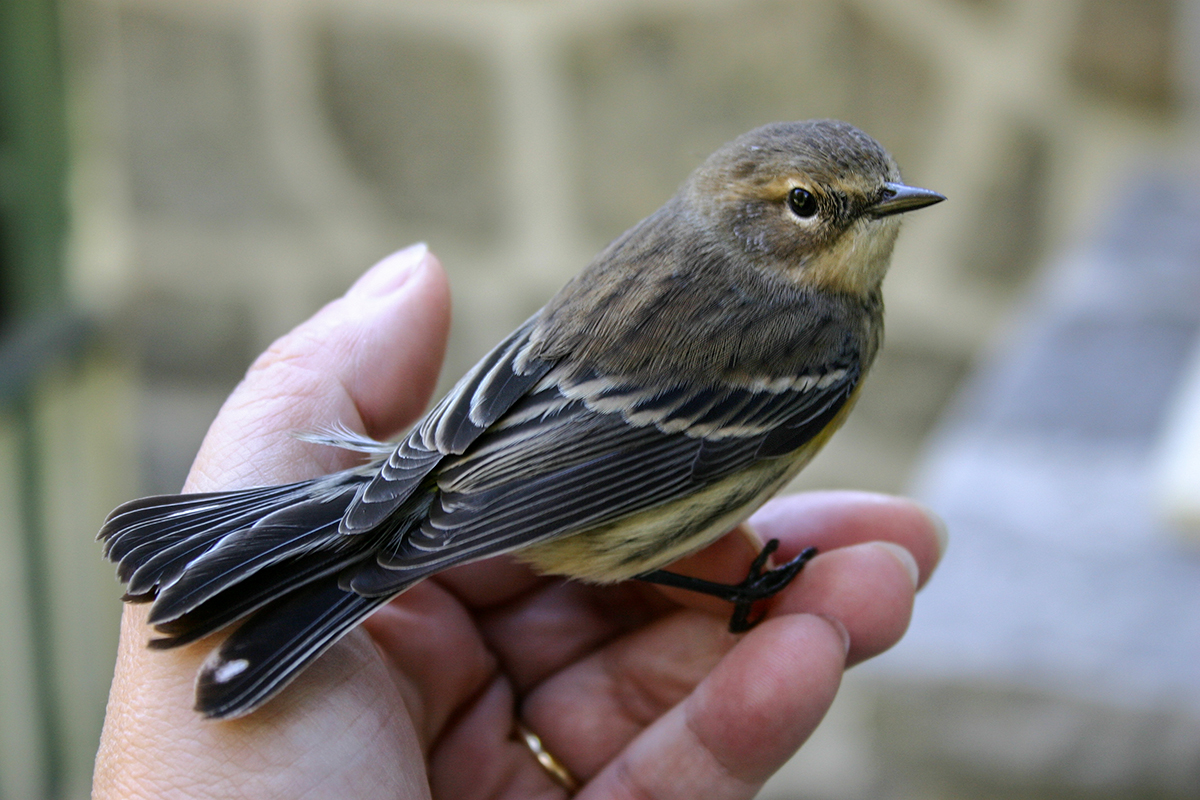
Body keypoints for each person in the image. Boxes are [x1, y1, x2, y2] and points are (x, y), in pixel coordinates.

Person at [93, 246, 945, 799]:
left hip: (477, 429)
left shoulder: (681, 266)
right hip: (582, 487)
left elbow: (540, 370)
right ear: (751, 213)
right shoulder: (817, 340)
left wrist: (428, 475)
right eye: (811, 202)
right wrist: (727, 586)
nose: (868, 218)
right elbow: (634, 461)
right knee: (665, 564)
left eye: (876, 198)